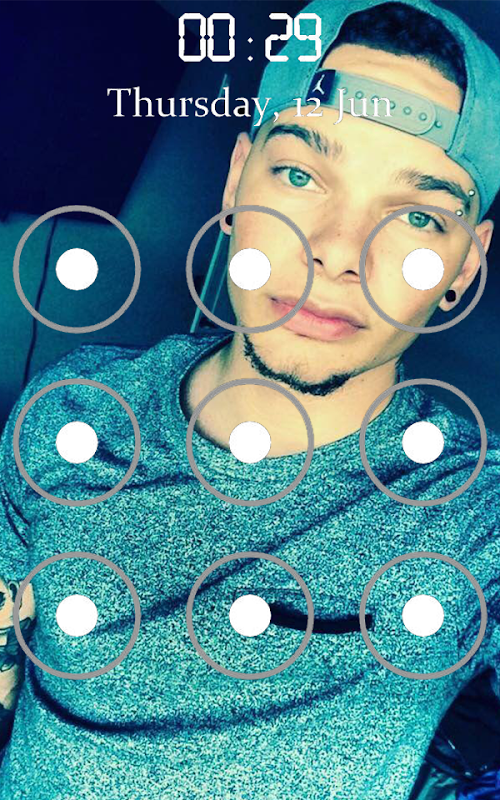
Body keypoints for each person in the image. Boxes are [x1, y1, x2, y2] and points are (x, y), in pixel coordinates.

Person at [1, 0, 500, 798]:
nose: (337, 251)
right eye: (300, 175)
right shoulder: (70, 408)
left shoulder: (475, 512)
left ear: (464, 266)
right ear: (237, 182)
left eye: (417, 215)